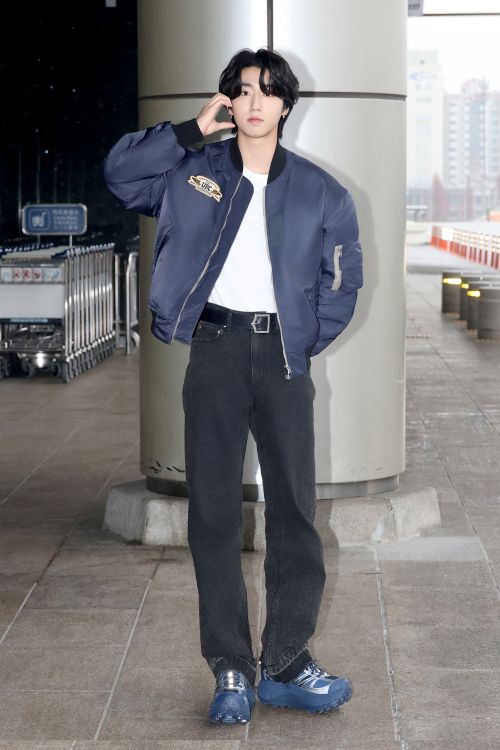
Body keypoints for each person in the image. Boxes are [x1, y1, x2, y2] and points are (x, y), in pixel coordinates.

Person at [103, 47, 363, 725]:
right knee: (214, 515)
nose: (254, 102)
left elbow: (345, 279)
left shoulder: (320, 190)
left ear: (286, 105)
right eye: (243, 90)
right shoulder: (192, 172)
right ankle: (230, 668)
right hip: (215, 351)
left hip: (284, 360)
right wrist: (190, 131)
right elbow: (121, 174)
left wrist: (302, 339)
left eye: (268, 91)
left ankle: (286, 663)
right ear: (228, 100)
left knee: (296, 512)